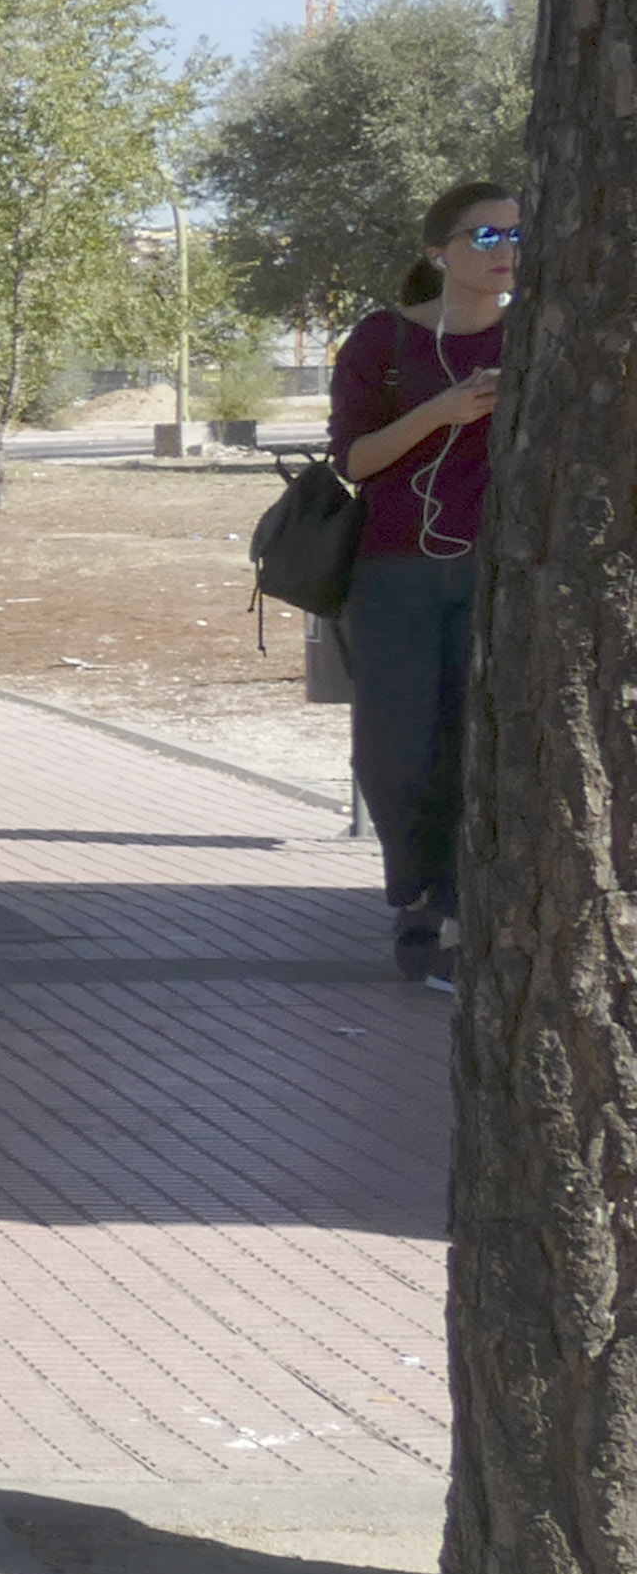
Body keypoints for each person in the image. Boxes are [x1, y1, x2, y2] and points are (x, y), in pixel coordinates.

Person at [321, 178, 517, 988]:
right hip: (394, 571)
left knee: (480, 742)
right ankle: (414, 890)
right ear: (439, 253)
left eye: (518, 236)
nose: (506, 251)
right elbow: (353, 459)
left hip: (500, 573)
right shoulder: (383, 340)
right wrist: (443, 412)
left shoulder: (539, 335)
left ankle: (458, 911)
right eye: (486, 236)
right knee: (396, 748)